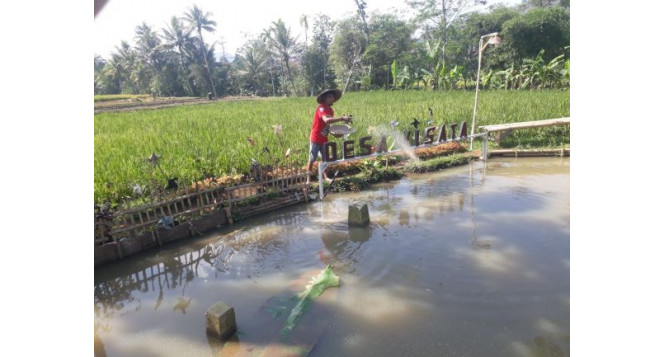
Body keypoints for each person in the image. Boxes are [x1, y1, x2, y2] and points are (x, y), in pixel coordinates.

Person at [307, 89, 351, 184]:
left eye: (333, 98)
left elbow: (327, 125)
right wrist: (342, 118)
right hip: (316, 138)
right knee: (312, 159)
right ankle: (308, 179)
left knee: (325, 158)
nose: (332, 99)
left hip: (324, 138)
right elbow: (326, 120)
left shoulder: (330, 110)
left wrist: (334, 133)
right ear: (325, 98)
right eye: (330, 97)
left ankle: (325, 177)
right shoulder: (321, 108)